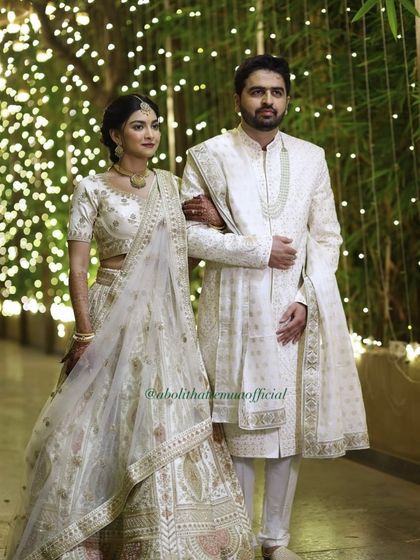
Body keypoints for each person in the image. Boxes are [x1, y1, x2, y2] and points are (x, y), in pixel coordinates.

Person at [6, 94, 254, 559]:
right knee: (96, 422)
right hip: (111, 311)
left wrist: (216, 222)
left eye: (154, 125)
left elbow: (188, 254)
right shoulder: (92, 188)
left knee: (164, 416)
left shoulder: (171, 186)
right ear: (116, 135)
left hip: (165, 320)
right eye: (139, 126)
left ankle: (164, 540)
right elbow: (78, 268)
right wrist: (84, 332)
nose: (151, 133)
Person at [181, 55, 369, 560]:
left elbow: (326, 237)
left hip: (291, 312)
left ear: (287, 99)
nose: (268, 101)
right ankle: (240, 540)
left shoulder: (311, 158)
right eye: (257, 91)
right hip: (232, 311)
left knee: (286, 431)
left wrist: (308, 298)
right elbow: (189, 237)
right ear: (238, 98)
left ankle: (275, 540)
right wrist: (258, 249)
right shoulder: (207, 156)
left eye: (277, 92)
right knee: (240, 430)